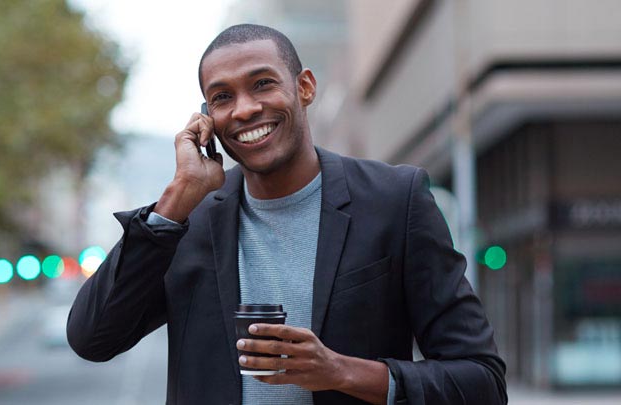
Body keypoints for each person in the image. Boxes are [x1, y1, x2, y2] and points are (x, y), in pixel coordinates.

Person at [67, 24, 507, 405]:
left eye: (262, 83)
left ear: (305, 87)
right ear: (207, 118)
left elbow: (482, 381)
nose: (244, 109)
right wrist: (179, 196)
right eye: (222, 97)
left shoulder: (396, 200)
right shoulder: (184, 224)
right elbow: (93, 338)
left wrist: (340, 371)